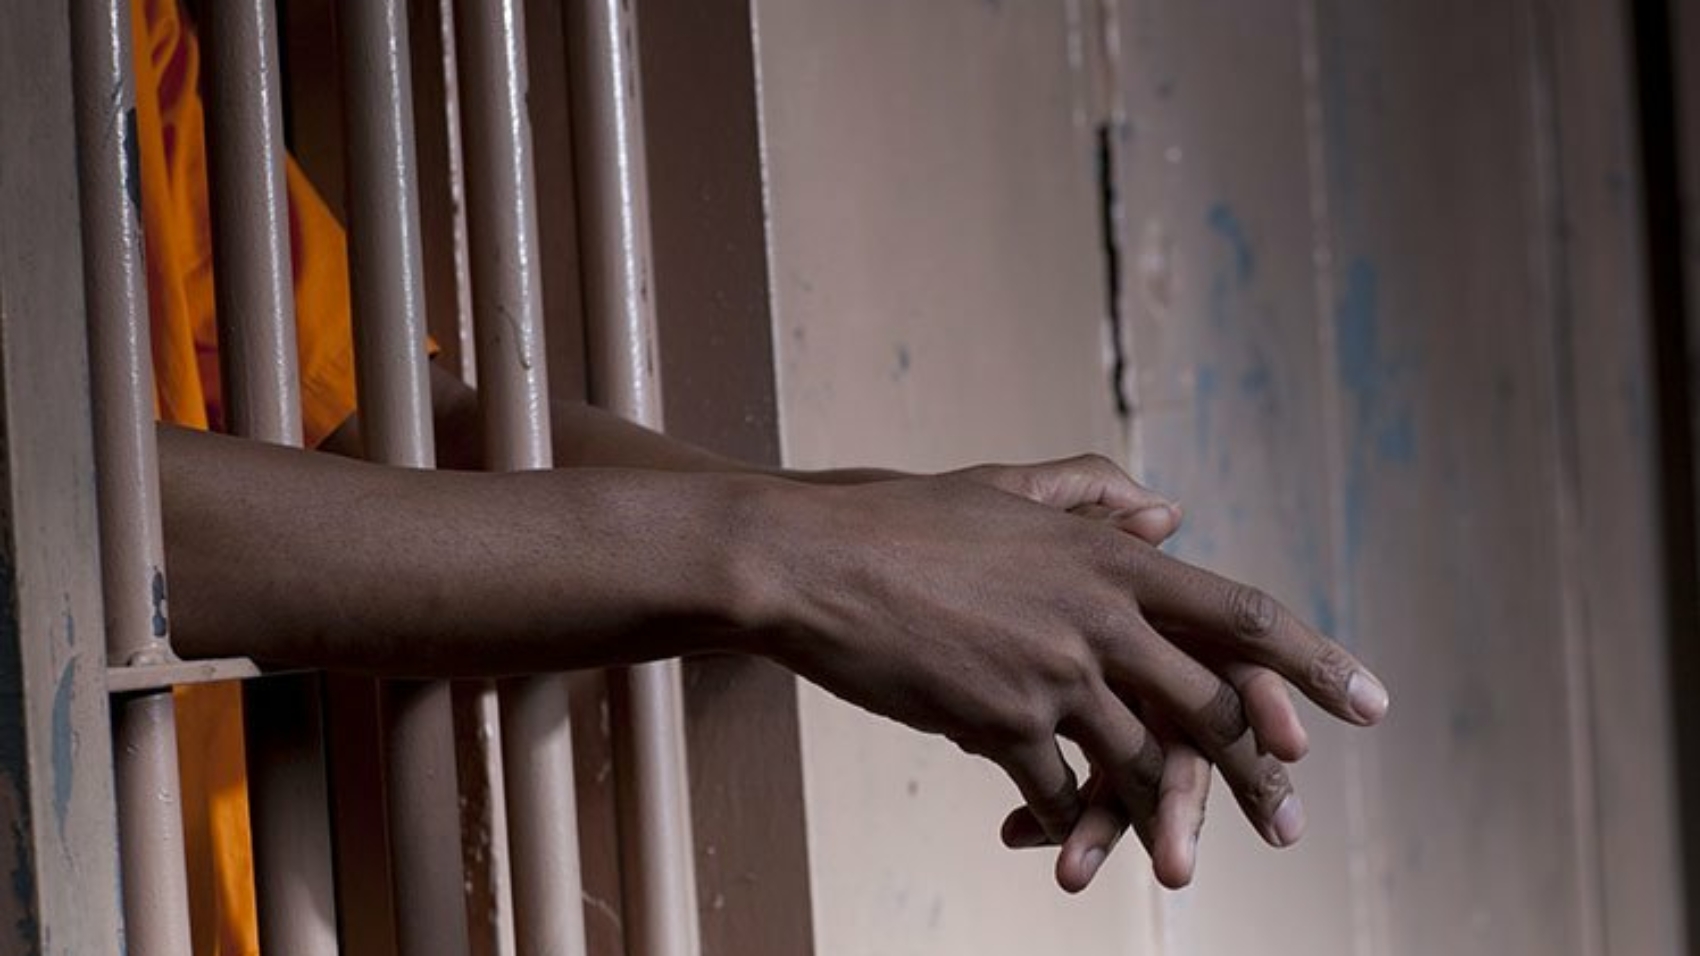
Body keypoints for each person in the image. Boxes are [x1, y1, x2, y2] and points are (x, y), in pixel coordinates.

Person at [132, 0, 1389, 953]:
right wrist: (786, 559)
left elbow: (390, 421)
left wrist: (916, 543)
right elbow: (76, 528)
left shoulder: (136, 46)